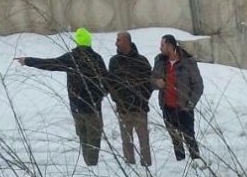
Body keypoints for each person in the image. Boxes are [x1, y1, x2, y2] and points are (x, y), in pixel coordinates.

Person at [16, 28, 108, 166]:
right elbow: (105, 81)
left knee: (83, 137)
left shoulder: (71, 58)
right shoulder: (96, 58)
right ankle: (92, 164)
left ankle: (89, 163)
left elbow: (49, 63)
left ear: (77, 41)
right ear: (89, 42)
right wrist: (101, 95)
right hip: (93, 107)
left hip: (76, 107)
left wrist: (28, 61)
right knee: (94, 138)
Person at [151, 34, 204, 162]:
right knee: (175, 139)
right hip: (167, 108)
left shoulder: (188, 62)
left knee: (189, 138)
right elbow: (152, 79)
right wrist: (156, 83)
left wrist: (189, 105)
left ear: (170, 46)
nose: (160, 48)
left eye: (162, 45)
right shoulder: (159, 61)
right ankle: (180, 163)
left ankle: (196, 164)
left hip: (184, 108)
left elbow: (198, 86)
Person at [107, 32, 154, 166]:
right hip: (123, 109)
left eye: (119, 40)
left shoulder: (141, 60)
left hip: (140, 109)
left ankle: (147, 167)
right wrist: (118, 100)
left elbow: (148, 83)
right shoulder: (114, 61)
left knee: (144, 140)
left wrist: (142, 99)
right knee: (126, 141)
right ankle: (130, 166)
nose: (116, 43)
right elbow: (111, 84)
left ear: (127, 42)